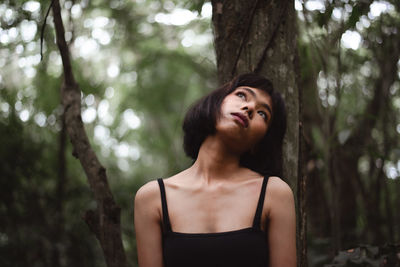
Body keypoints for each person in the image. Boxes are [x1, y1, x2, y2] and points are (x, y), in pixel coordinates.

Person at [134, 73, 296, 267]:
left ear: (258, 143)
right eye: (242, 96)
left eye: (263, 114)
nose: (250, 107)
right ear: (216, 102)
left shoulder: (274, 193)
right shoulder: (152, 198)